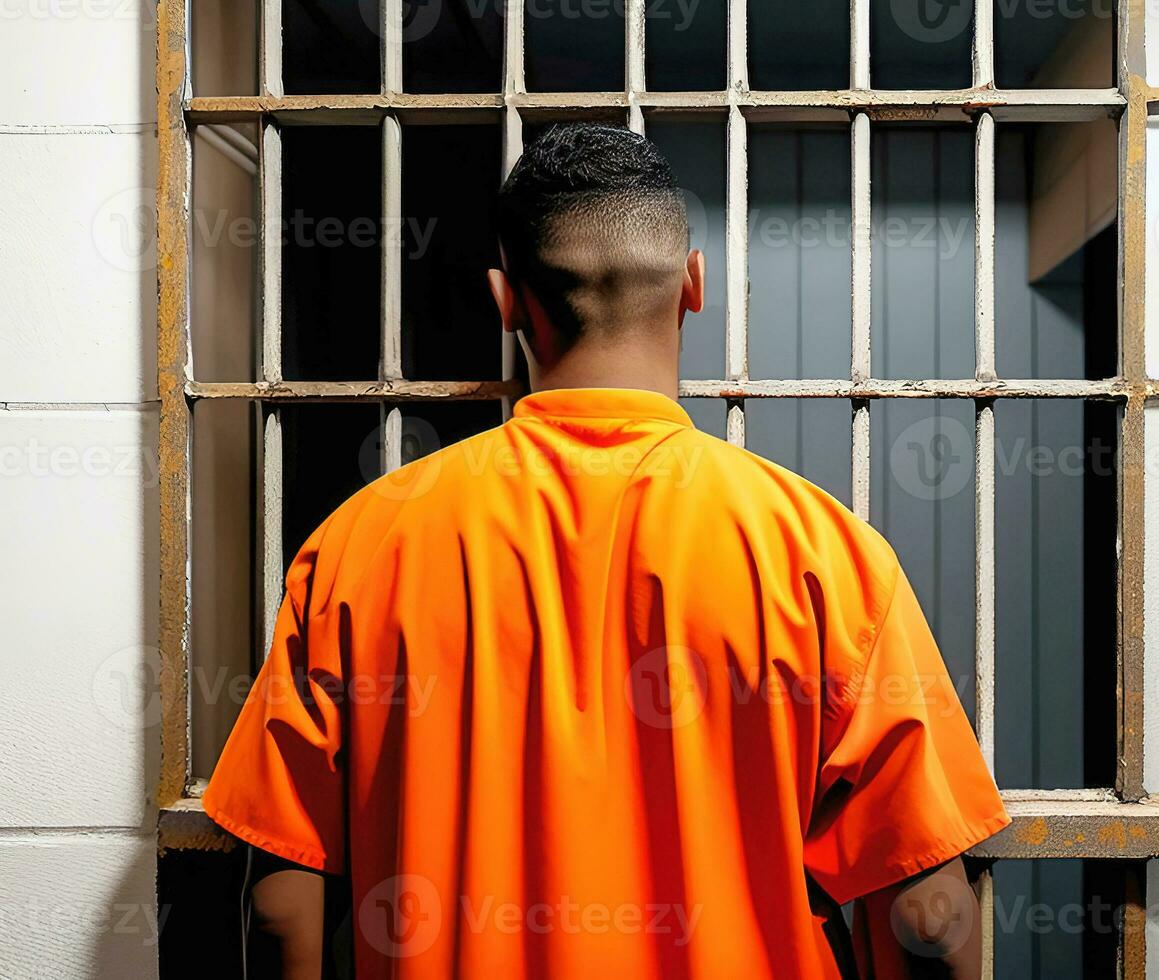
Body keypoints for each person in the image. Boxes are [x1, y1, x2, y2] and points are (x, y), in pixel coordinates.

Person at [203, 123, 1010, 979]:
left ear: (506, 298)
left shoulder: (361, 543)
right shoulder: (823, 553)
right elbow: (929, 912)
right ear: (692, 287)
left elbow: (279, 904)